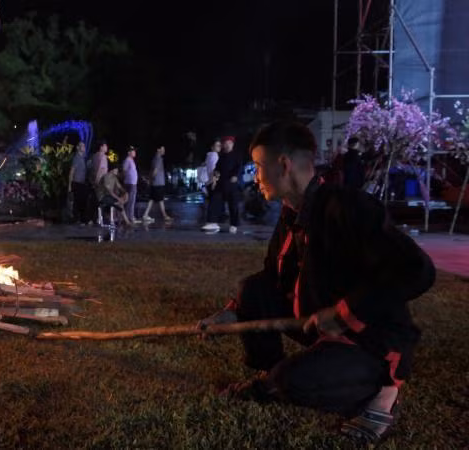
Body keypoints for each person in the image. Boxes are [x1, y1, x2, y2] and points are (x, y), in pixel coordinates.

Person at [197, 121, 435, 444]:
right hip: (320, 326)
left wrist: (345, 312)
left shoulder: (348, 207)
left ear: (283, 165)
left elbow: (417, 271)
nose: (255, 177)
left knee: (294, 381)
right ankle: (277, 371)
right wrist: (227, 316)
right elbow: (270, 278)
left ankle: (381, 391)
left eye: (258, 167)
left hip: (369, 339)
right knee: (252, 289)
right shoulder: (291, 214)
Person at [201, 136, 241, 233]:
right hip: (221, 183)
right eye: (225, 143)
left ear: (232, 145)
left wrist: (235, 176)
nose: (227, 145)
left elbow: (239, 167)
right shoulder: (221, 156)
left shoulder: (236, 156)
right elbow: (217, 169)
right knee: (215, 201)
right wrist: (214, 178)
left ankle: (233, 224)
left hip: (231, 184)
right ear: (223, 145)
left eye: (229, 143)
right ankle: (211, 222)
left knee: (233, 205)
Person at [142, 146, 172, 222]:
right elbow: (155, 171)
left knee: (152, 199)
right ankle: (165, 216)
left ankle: (145, 215)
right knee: (160, 200)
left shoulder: (154, 158)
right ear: (158, 149)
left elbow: (152, 171)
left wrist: (150, 180)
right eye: (162, 149)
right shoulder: (159, 159)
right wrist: (150, 179)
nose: (164, 150)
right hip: (158, 183)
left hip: (155, 183)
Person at [68, 142, 89, 224]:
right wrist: (70, 186)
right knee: (77, 202)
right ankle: (77, 219)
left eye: (84, 145)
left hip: (81, 183)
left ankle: (80, 219)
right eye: (82, 146)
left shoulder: (82, 158)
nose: (84, 147)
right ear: (77, 147)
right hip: (77, 183)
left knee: (81, 202)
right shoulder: (76, 158)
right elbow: (72, 171)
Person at [122, 145, 140, 223]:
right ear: (129, 152)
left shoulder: (131, 160)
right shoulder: (128, 160)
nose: (135, 152)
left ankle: (130, 216)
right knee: (130, 201)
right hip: (130, 183)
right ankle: (130, 217)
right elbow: (124, 170)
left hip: (132, 183)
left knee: (131, 200)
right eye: (133, 151)